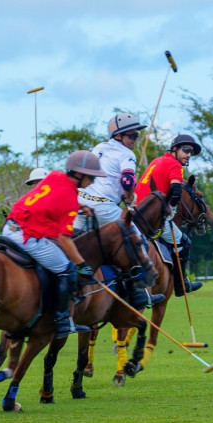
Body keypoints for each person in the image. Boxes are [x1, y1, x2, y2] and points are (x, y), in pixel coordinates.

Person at [0, 150, 104, 339]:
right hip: (27, 236)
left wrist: (80, 205)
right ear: (79, 174)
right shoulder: (69, 201)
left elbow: (54, 195)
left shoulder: (55, 176)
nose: (93, 181)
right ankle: (62, 321)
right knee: (67, 268)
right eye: (91, 177)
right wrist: (82, 265)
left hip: (9, 227)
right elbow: (64, 239)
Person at [72, 112, 164, 309]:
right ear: (118, 136)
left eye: (137, 135)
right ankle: (139, 294)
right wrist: (129, 193)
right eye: (132, 136)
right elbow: (127, 180)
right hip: (105, 209)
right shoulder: (126, 154)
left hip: (81, 205)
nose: (135, 140)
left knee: (71, 244)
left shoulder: (99, 148)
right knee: (139, 242)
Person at [135, 133, 203, 296]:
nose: (188, 155)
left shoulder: (156, 161)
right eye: (186, 150)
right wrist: (171, 210)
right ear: (174, 149)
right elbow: (176, 191)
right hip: (152, 216)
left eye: (191, 152)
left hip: (136, 211)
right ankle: (181, 285)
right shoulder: (175, 165)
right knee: (184, 242)